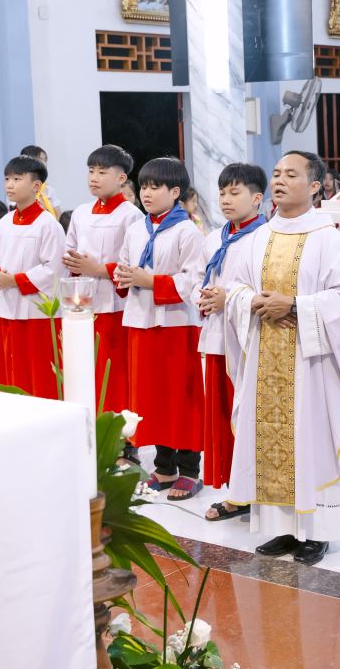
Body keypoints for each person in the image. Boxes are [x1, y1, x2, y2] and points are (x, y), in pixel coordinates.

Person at [223, 151, 340, 567]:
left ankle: (318, 532)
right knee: (271, 442)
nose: (280, 180)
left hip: (312, 364)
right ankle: (284, 528)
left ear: (315, 186)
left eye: (291, 174)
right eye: (276, 173)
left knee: (313, 441)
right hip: (265, 355)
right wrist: (251, 301)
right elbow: (234, 287)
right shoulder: (258, 237)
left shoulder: (328, 239)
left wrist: (294, 305)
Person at [114, 157, 207, 501]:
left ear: (176, 192)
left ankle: (190, 470)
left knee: (181, 398)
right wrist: (124, 276)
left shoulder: (187, 231)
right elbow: (124, 265)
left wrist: (150, 280)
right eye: (143, 186)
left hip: (176, 324)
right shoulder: (136, 228)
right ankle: (165, 467)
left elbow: (193, 280)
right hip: (140, 321)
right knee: (152, 399)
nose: (147, 193)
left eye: (155, 187)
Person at [198, 163, 267, 523]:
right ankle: (236, 490)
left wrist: (230, 299)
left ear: (257, 198)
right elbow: (198, 279)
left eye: (235, 192)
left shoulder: (265, 238)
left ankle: (256, 489)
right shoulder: (214, 238)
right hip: (216, 337)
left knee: (249, 416)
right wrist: (203, 297)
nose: (225, 199)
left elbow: (268, 291)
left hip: (248, 340)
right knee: (223, 417)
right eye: (222, 192)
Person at [61, 145, 145, 415]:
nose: (94, 177)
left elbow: (135, 263)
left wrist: (98, 269)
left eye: (102, 172)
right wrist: (74, 263)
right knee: (85, 367)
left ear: (121, 178)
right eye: (91, 171)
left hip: (115, 304)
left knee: (114, 371)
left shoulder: (131, 215)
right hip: (83, 302)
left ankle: (117, 427)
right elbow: (69, 249)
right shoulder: (80, 213)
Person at [0, 154, 67, 399]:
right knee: (10, 369)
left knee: (39, 373)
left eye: (17, 179)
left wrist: (14, 280)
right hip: (9, 307)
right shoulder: (3, 223)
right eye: (7, 179)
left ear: (36, 185)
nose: (10, 185)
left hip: (38, 312)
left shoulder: (48, 225)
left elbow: (53, 269)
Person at [20, 145, 63, 218]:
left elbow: (59, 215)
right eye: (41, 159)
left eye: (45, 160)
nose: (44, 163)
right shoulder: (19, 189)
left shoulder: (49, 189)